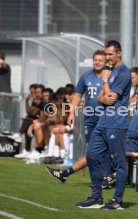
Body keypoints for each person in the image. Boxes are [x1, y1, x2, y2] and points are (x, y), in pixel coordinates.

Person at [77, 40, 131, 210]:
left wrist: (105, 82)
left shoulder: (123, 73)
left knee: (119, 163)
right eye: (106, 54)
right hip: (103, 122)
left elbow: (111, 98)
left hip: (116, 123)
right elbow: (101, 99)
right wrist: (104, 94)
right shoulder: (109, 71)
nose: (107, 57)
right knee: (92, 155)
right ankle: (96, 197)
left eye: (110, 54)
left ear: (119, 54)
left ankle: (117, 201)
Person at [46, 50, 107, 182]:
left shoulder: (110, 77)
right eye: (95, 59)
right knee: (92, 151)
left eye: (100, 60)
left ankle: (68, 174)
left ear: (105, 62)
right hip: (90, 120)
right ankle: (100, 179)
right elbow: (78, 95)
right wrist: (72, 112)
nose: (97, 62)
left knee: (97, 151)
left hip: (106, 119)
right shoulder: (86, 76)